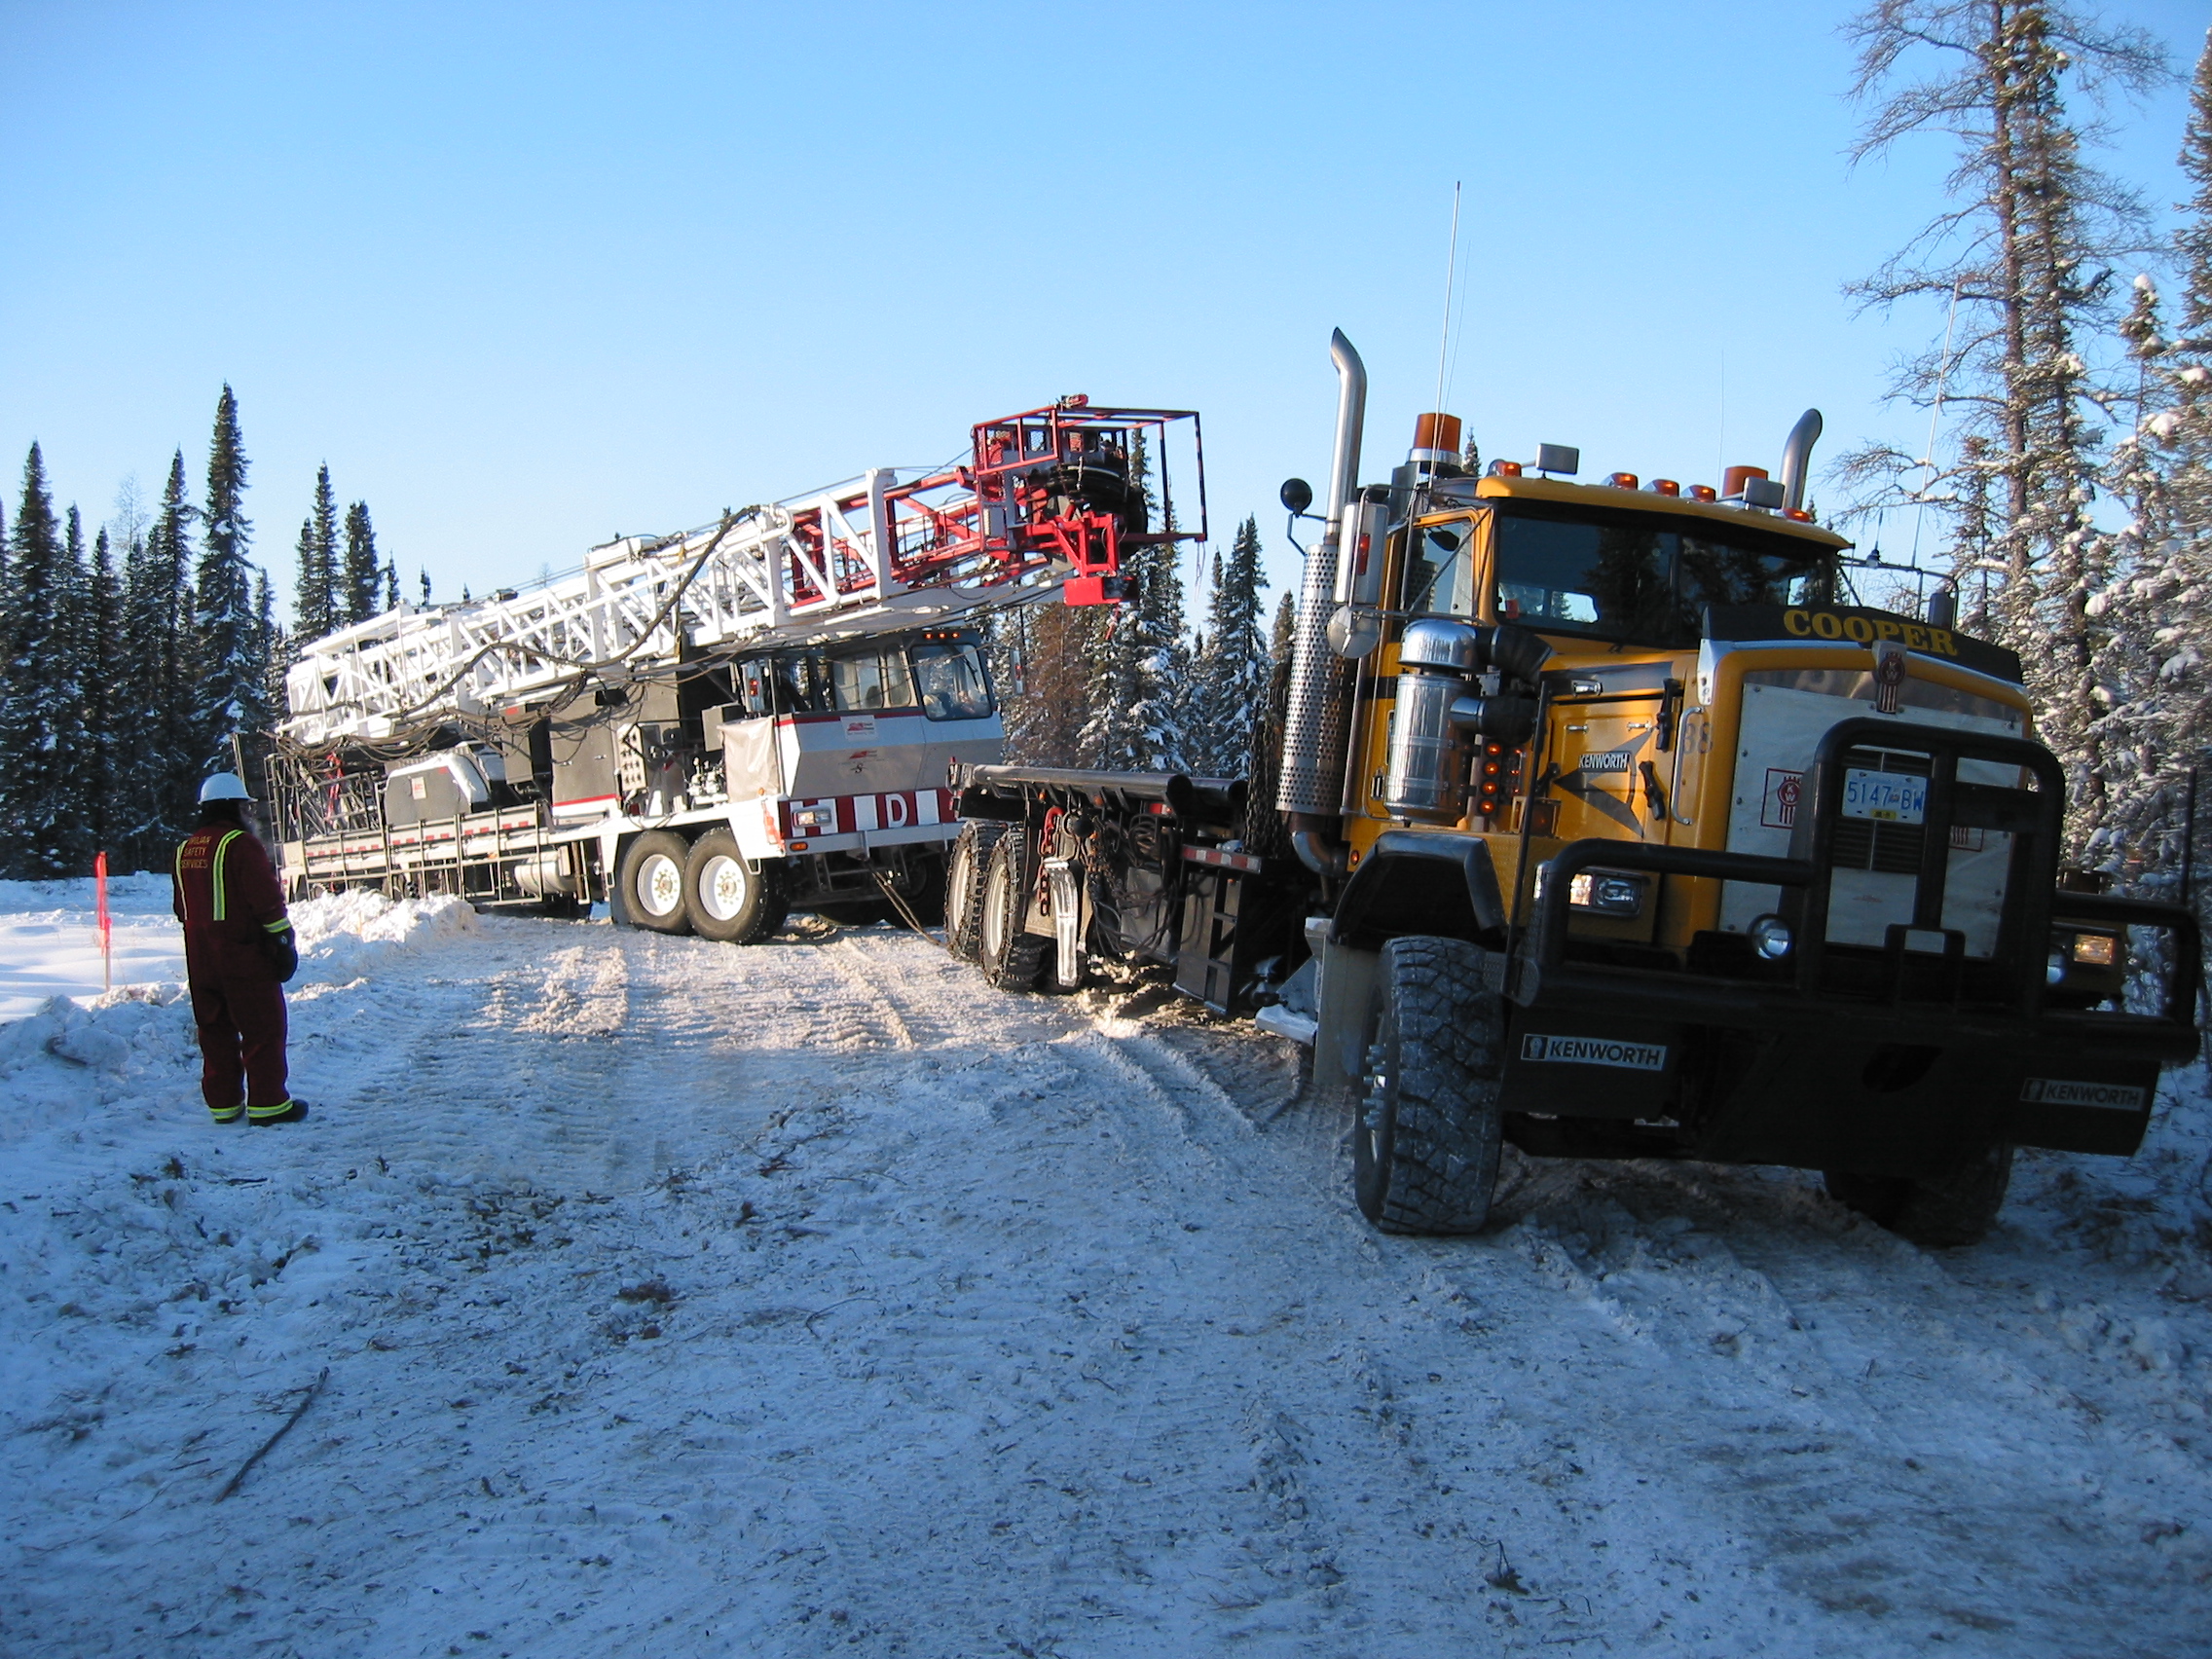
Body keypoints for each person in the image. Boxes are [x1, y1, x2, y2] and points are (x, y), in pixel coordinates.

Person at [173, 773, 307, 1125]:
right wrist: (282, 941)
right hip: (243, 956)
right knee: (263, 1028)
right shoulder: (241, 844)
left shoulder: (185, 849)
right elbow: (266, 901)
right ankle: (268, 1105)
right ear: (234, 806)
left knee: (214, 1031)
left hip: (199, 958)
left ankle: (223, 1105)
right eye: (245, 806)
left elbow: (180, 909)